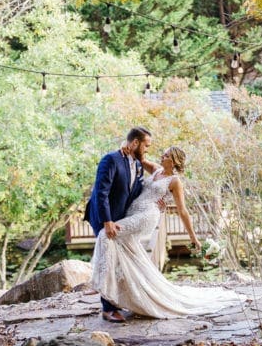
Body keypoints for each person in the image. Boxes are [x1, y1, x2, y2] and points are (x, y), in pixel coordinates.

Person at [89, 144, 244, 319]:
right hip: (133, 211)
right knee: (123, 247)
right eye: (163, 154)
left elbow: (183, 211)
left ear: (175, 161)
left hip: (147, 215)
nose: (162, 157)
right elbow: (139, 157)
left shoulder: (175, 182)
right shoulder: (156, 170)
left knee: (106, 234)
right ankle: (132, 295)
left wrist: (193, 238)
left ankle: (99, 283)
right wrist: (123, 149)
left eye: (166, 155)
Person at [84, 126, 153, 322]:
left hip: (120, 219)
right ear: (135, 143)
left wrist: (157, 200)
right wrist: (107, 221)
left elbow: (137, 190)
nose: (147, 150)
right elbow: (101, 192)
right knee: (109, 258)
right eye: (146, 146)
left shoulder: (137, 165)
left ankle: (118, 300)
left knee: (119, 260)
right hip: (102, 217)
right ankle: (107, 308)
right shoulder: (111, 159)